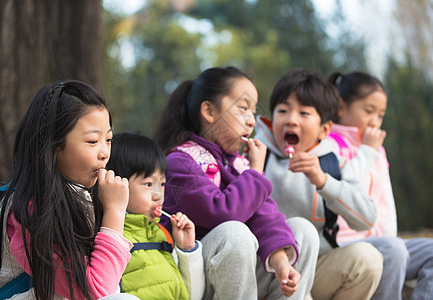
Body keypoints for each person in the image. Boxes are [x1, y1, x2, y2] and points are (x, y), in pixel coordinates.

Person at [153, 66, 319, 300]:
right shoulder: (181, 161)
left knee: (303, 231)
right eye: (243, 108)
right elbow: (223, 212)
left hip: (238, 279)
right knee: (235, 233)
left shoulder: (239, 164)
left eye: (253, 111)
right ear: (209, 111)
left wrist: (282, 262)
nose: (251, 121)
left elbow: (266, 215)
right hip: (192, 279)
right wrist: (256, 172)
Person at [0, 81, 139, 299]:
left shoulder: (81, 194)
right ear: (54, 145)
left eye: (109, 140)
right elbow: (95, 290)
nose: (104, 153)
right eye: (93, 141)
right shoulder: (30, 208)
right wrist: (115, 212)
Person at [254, 68, 384, 300]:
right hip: (266, 270)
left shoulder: (334, 164)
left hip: (317, 270)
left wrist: (323, 181)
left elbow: (366, 219)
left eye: (304, 113)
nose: (291, 119)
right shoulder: (255, 158)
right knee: (298, 229)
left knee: (368, 260)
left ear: (324, 129)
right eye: (283, 110)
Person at [327, 71, 433, 300]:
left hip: (385, 244)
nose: (375, 120)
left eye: (380, 115)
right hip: (347, 245)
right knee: (393, 250)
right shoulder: (330, 146)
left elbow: (386, 201)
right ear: (341, 106)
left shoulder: (376, 150)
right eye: (368, 111)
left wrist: (391, 238)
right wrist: (366, 151)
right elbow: (344, 190)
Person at [106, 132, 204, 299]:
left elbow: (193, 296)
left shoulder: (163, 235)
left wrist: (187, 249)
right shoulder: (111, 237)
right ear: (118, 183)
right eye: (148, 184)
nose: (158, 195)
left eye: (162, 184)